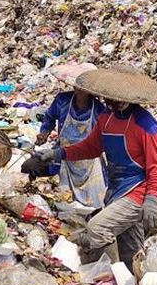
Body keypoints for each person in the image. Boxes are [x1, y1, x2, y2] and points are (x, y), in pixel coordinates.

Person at [26, 66, 157, 263]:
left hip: (137, 192)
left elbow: (156, 168)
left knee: (96, 228)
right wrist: (58, 153)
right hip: (116, 189)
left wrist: (151, 200)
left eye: (118, 100)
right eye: (109, 99)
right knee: (131, 251)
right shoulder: (106, 118)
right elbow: (89, 148)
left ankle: (77, 261)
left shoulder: (146, 125)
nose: (112, 103)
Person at [36, 62, 108, 209]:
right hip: (64, 157)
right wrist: (44, 132)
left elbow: (104, 135)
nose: (79, 89)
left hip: (89, 162)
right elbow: (49, 117)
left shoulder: (99, 110)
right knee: (63, 199)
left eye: (83, 87)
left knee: (95, 204)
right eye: (77, 85)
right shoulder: (63, 100)